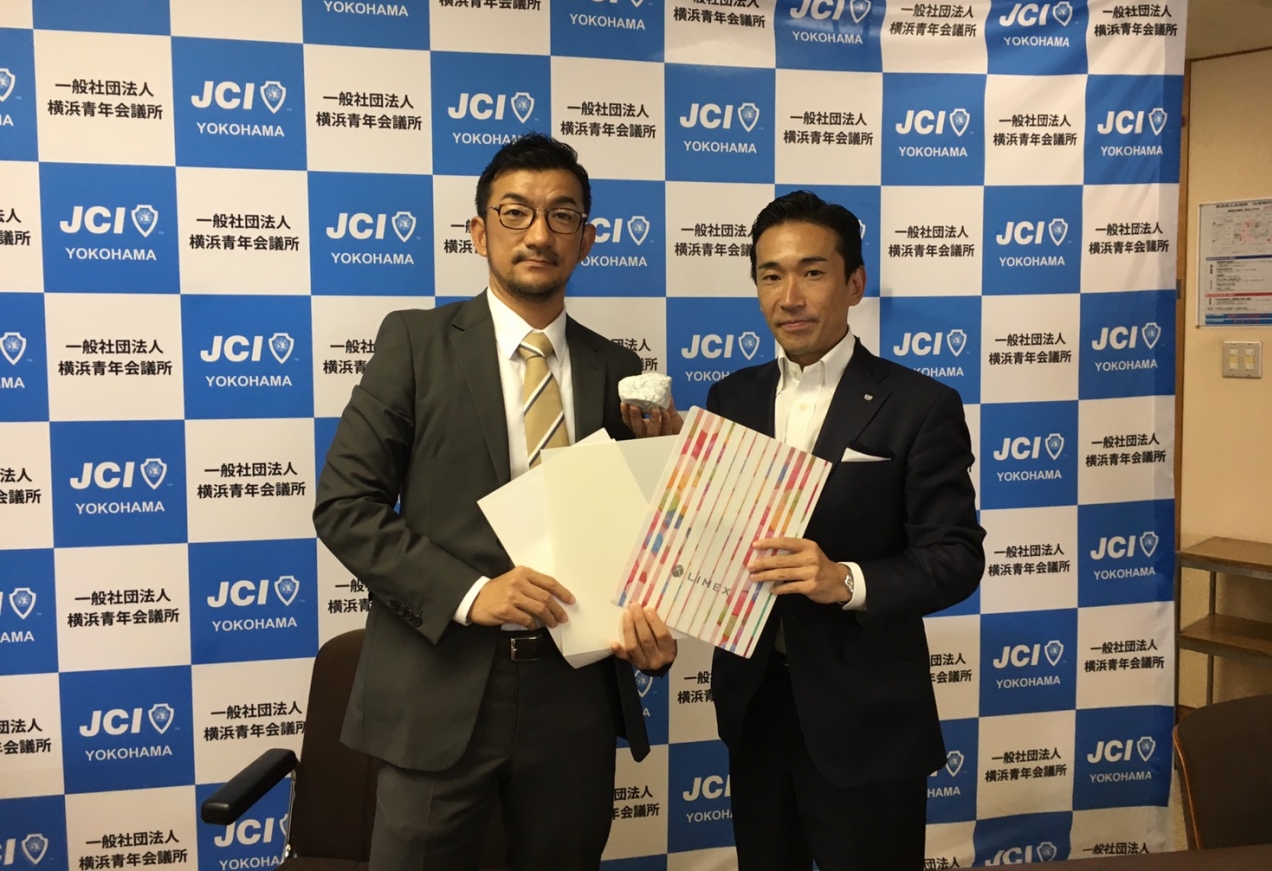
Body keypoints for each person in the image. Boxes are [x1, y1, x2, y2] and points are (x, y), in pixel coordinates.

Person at [313, 134, 677, 871]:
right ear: (479, 232)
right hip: (438, 684)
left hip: (574, 696)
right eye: (516, 212)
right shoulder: (415, 342)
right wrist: (474, 593)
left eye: (562, 215)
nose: (539, 233)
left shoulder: (618, 368)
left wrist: (656, 594)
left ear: (586, 240)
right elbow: (345, 505)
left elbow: (631, 537)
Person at [704, 190, 985, 870]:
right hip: (755, 705)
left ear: (855, 283)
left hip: (868, 718)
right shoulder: (729, 398)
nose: (790, 296)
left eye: (813, 272)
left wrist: (847, 581)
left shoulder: (920, 404)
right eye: (771, 275)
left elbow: (956, 556)